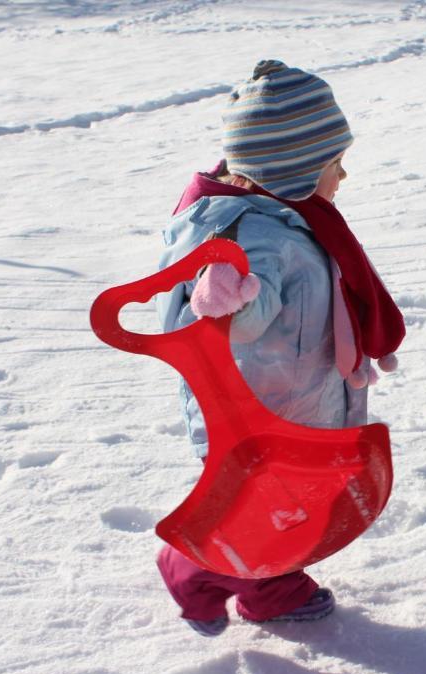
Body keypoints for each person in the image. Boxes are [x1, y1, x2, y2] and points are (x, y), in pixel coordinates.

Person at [153, 59, 405, 636]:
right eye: (334, 164)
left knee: (282, 503)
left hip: (294, 394)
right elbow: (241, 320)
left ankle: (247, 579)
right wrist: (229, 295)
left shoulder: (287, 216)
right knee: (263, 510)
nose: (343, 176)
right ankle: (209, 572)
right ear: (291, 169)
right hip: (256, 410)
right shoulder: (248, 234)